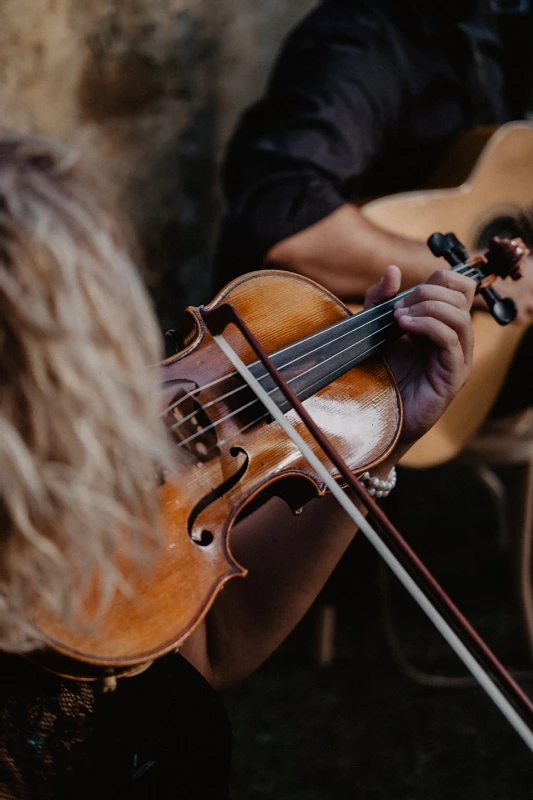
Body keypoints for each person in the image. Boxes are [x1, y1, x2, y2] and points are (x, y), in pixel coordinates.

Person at [0, 131, 475, 798]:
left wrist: (377, 438)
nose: (131, 395)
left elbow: (213, 644)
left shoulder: (81, 499)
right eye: (85, 354)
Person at [215, 0, 533, 328]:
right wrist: (480, 275)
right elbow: (289, 230)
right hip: (312, 353)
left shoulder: (483, 24)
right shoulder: (361, 46)